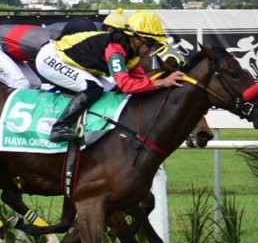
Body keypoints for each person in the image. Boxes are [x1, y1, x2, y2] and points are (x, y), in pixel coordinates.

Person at [36, 10, 187, 143]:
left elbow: (142, 82)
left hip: (70, 60)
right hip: (51, 57)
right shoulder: (115, 49)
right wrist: (163, 82)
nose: (152, 49)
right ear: (136, 39)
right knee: (93, 88)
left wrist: (168, 83)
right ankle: (59, 127)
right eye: (151, 43)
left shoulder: (133, 55)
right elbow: (126, 85)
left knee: (109, 89)